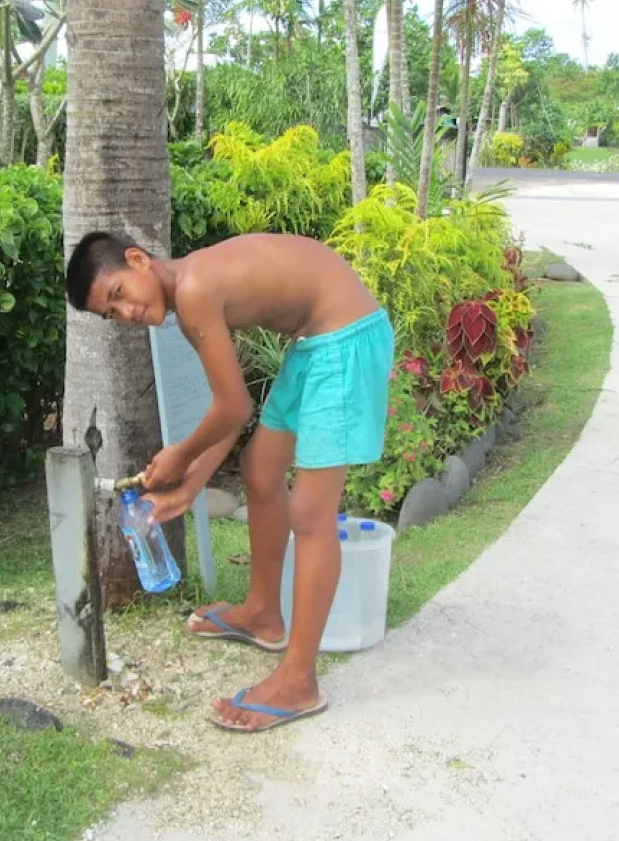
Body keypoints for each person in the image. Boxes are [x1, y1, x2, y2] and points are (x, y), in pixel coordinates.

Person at [65, 231, 394, 733]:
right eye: (112, 314)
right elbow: (231, 411)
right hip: (315, 345)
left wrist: (180, 456)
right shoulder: (191, 290)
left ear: (138, 260)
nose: (125, 314)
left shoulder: (194, 289)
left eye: (118, 294)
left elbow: (232, 408)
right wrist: (190, 483)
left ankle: (299, 681)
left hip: (344, 341)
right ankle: (264, 613)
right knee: (261, 466)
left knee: (310, 513)